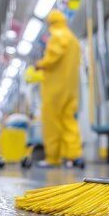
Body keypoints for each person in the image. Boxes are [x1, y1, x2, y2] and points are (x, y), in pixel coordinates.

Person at [34, 10, 84, 168]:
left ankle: (53, 158)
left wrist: (40, 64)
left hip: (55, 88)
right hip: (70, 88)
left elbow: (53, 57)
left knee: (52, 122)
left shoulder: (57, 36)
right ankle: (75, 155)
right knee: (69, 121)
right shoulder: (74, 40)